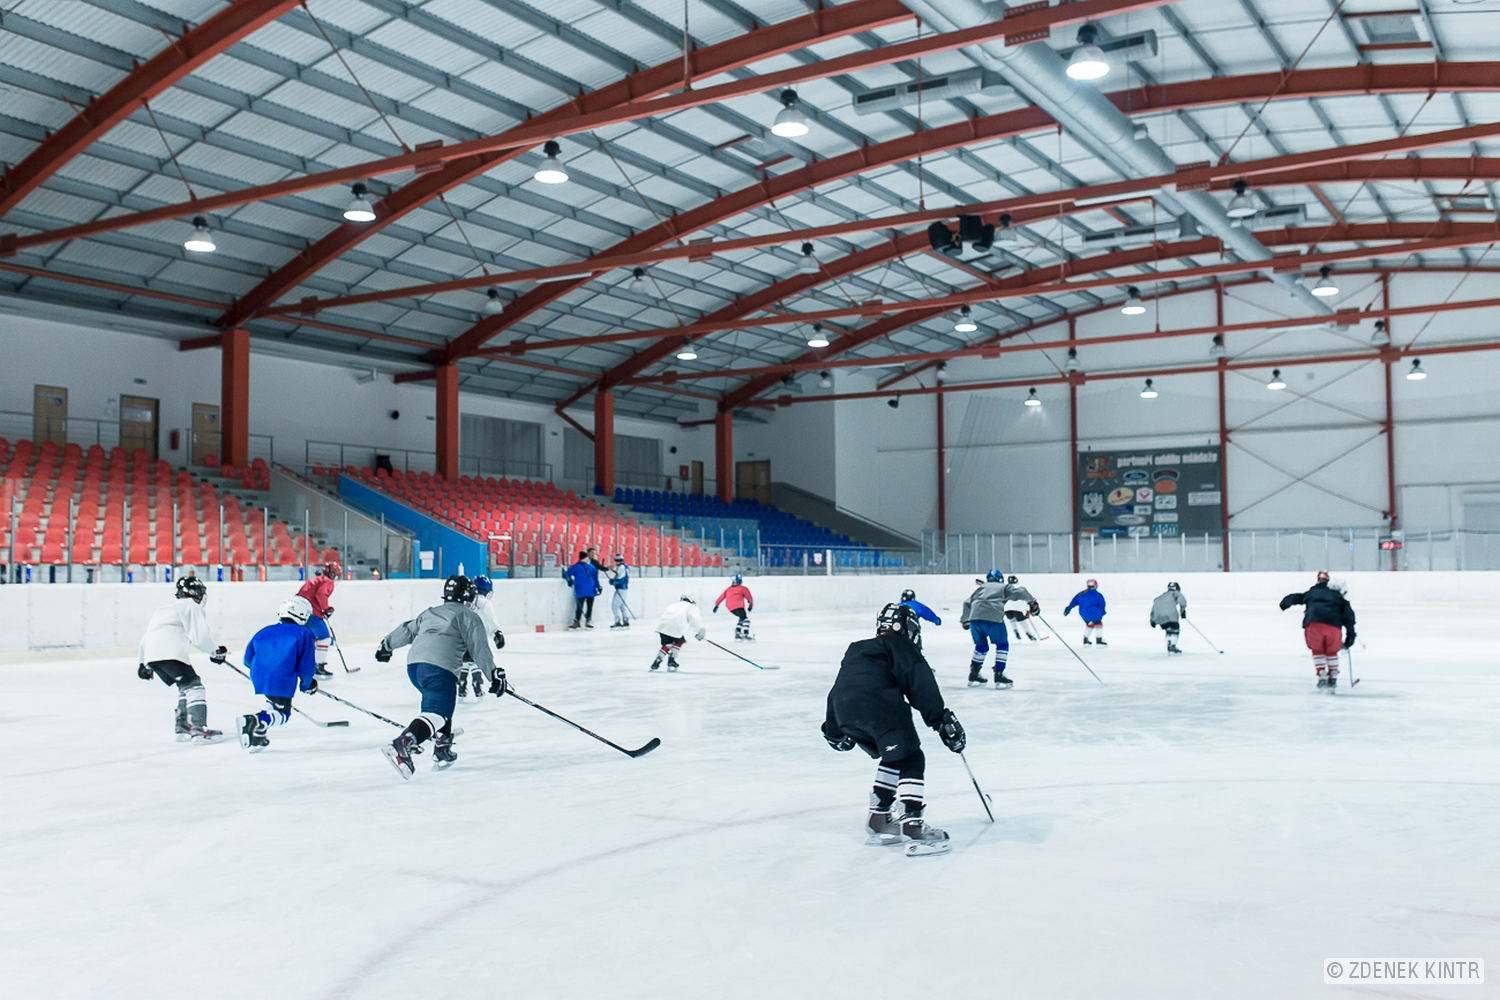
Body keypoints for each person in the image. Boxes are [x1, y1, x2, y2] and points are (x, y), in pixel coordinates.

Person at [821, 603, 965, 855]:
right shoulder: (901, 646)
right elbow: (920, 684)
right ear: (907, 628)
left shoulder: (857, 649)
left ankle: (879, 821)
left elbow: (839, 689)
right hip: (878, 708)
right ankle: (913, 827)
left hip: (846, 712)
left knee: (895, 755)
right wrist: (941, 720)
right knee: (912, 758)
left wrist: (834, 730)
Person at [376, 575, 503, 778]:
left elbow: (407, 630)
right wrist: (493, 675)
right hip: (439, 669)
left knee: (443, 702)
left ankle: (442, 746)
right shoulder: (469, 617)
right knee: (438, 712)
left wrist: (386, 646)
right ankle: (404, 743)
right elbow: (479, 649)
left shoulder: (431, 612)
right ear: (468, 597)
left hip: (415, 667)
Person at [136, 574, 228, 742]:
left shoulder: (163, 610)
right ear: (194, 592)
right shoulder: (191, 606)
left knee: (184, 686)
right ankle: (198, 728)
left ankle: (183, 725)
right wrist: (215, 652)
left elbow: (147, 636)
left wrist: (143, 663)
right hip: (170, 654)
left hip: (152, 656)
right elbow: (200, 636)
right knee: (195, 686)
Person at [237, 597, 320, 751]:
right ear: (301, 614)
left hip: (259, 677)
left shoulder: (264, 631)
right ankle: (255, 720)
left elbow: (247, 659)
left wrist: (263, 670)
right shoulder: (304, 633)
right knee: (283, 714)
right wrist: (307, 684)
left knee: (272, 704)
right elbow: (306, 665)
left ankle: (258, 736)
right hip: (281, 678)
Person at [1279, 571, 1356, 690]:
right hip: (1333, 627)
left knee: (1317, 650)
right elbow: (1349, 619)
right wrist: (1350, 637)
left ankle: (1321, 673)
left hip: (1313, 625)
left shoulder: (1312, 593)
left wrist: (1284, 603)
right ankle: (1333, 674)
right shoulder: (1340, 598)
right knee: (1332, 651)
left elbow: (1297, 597)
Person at [960, 570, 1014, 686]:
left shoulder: (981, 588)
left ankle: (974, 673)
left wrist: (965, 620)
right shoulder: (1002, 587)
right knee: (1002, 645)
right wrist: (1032, 604)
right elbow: (1019, 593)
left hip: (975, 620)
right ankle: (999, 673)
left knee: (981, 646)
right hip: (994, 620)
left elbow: (967, 602)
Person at [458, 575, 505, 699]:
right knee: (476, 661)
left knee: (464, 660)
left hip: (460, 638)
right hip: (476, 638)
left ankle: (461, 683)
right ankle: (477, 683)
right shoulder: (484, 602)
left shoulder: (463, 600)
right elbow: (489, 619)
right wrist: (496, 633)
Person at [296, 559, 339, 677]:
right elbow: (320, 594)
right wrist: (326, 609)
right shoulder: (327, 581)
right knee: (324, 638)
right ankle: (318, 666)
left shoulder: (315, 580)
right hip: (311, 614)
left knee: (310, 639)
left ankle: (305, 665)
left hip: (299, 612)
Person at [651, 594, 705, 671]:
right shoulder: (691, 606)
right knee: (680, 641)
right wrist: (698, 632)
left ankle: (658, 659)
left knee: (668, 644)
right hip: (676, 627)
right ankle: (672, 659)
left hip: (662, 626)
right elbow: (695, 619)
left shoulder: (673, 604)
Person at [1064, 578, 1108, 646]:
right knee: (1099, 624)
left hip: (1084, 613)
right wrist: (1103, 612)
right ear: (1095, 585)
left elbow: (1074, 602)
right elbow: (1102, 604)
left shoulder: (1081, 594)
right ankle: (1099, 640)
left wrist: (1068, 609)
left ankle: (1085, 640)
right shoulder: (1098, 595)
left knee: (1090, 624)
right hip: (1095, 613)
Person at [1001, 574, 1043, 642]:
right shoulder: (1021, 589)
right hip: (1018, 608)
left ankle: (1015, 631)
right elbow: (1027, 600)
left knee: (1012, 620)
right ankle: (1029, 634)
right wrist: (1028, 610)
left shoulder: (1005, 589)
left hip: (1007, 609)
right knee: (1022, 621)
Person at [564, 551, 600, 629]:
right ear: (585, 558)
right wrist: (598, 586)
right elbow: (595, 578)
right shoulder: (592, 567)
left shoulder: (575, 567)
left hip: (580, 590)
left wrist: (569, 581)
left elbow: (566, 574)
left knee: (579, 606)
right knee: (589, 606)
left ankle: (577, 621)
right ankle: (588, 620)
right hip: (591, 589)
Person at [713, 574, 755, 641]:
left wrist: (716, 606)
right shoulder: (743, 588)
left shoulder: (728, 589)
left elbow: (721, 597)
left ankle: (737, 632)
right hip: (739, 606)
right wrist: (750, 605)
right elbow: (749, 597)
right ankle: (745, 634)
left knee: (742, 618)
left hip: (730, 608)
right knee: (745, 619)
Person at [898, 588, 941, 652]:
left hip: (898, 630)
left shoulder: (898, 606)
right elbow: (928, 614)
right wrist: (937, 620)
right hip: (912, 629)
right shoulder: (917, 605)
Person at [1149, 582, 1188, 654]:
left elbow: (1153, 610)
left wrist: (1152, 620)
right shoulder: (1175, 593)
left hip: (1160, 618)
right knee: (1175, 628)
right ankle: (1172, 645)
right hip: (1171, 616)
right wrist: (1182, 611)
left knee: (1168, 629)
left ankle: (1169, 644)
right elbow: (1183, 602)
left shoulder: (1160, 598)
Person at [608, 555, 631, 629]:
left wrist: (614, 582)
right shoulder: (624, 567)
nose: (617, 562)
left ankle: (618, 621)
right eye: (616, 560)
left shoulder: (621, 567)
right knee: (622, 605)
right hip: (623, 588)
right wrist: (614, 573)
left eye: (618, 560)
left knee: (614, 605)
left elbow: (621, 579)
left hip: (621, 588)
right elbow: (620, 575)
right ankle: (625, 620)